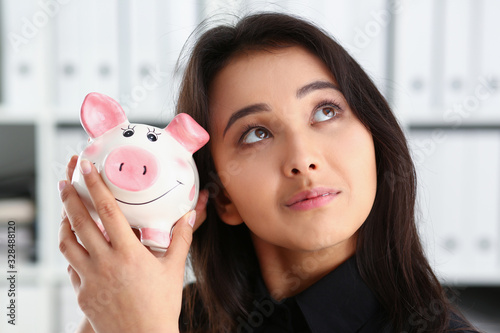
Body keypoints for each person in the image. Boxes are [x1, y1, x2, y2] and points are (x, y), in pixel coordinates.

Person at [58, 12, 479, 333]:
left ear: (375, 143)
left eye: (326, 111)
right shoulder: (174, 315)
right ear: (221, 196)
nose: (302, 158)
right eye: (256, 133)